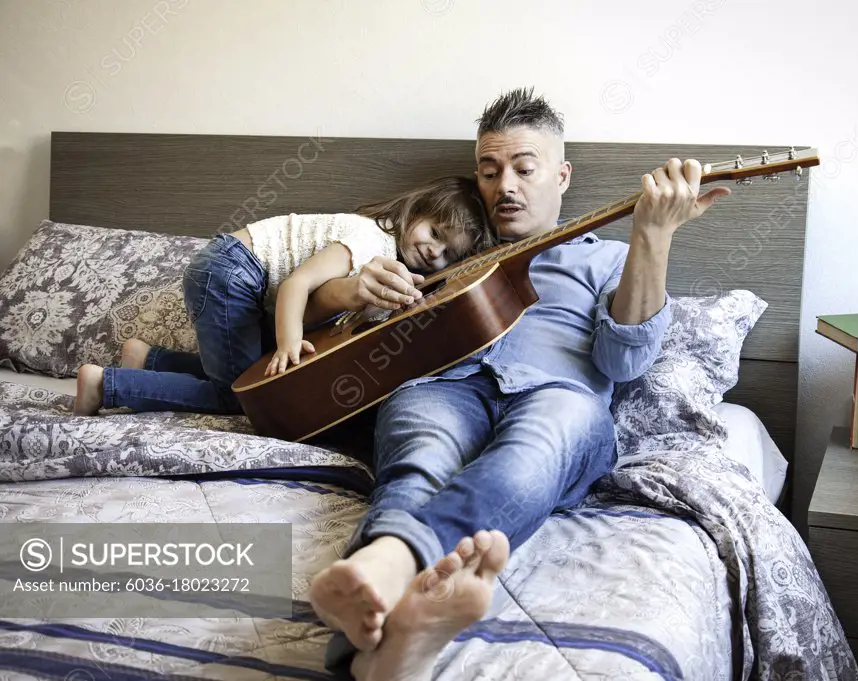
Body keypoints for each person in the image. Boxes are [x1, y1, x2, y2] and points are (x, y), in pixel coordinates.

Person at [305, 87, 731, 681]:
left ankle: (392, 557)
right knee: (419, 462)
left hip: (559, 398)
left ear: (561, 176)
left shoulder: (608, 257)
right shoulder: (446, 255)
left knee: (538, 447)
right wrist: (353, 290)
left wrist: (652, 237)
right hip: (446, 386)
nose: (505, 185)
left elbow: (623, 362)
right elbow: (312, 327)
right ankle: (382, 657)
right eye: (489, 170)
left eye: (523, 168)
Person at [73, 176, 496, 417]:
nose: (433, 250)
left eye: (447, 254)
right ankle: (106, 385)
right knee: (242, 396)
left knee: (242, 367)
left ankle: (148, 360)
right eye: (435, 233)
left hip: (229, 270)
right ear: (416, 211)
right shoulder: (368, 240)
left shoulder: (387, 260)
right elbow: (296, 284)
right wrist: (291, 343)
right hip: (231, 270)